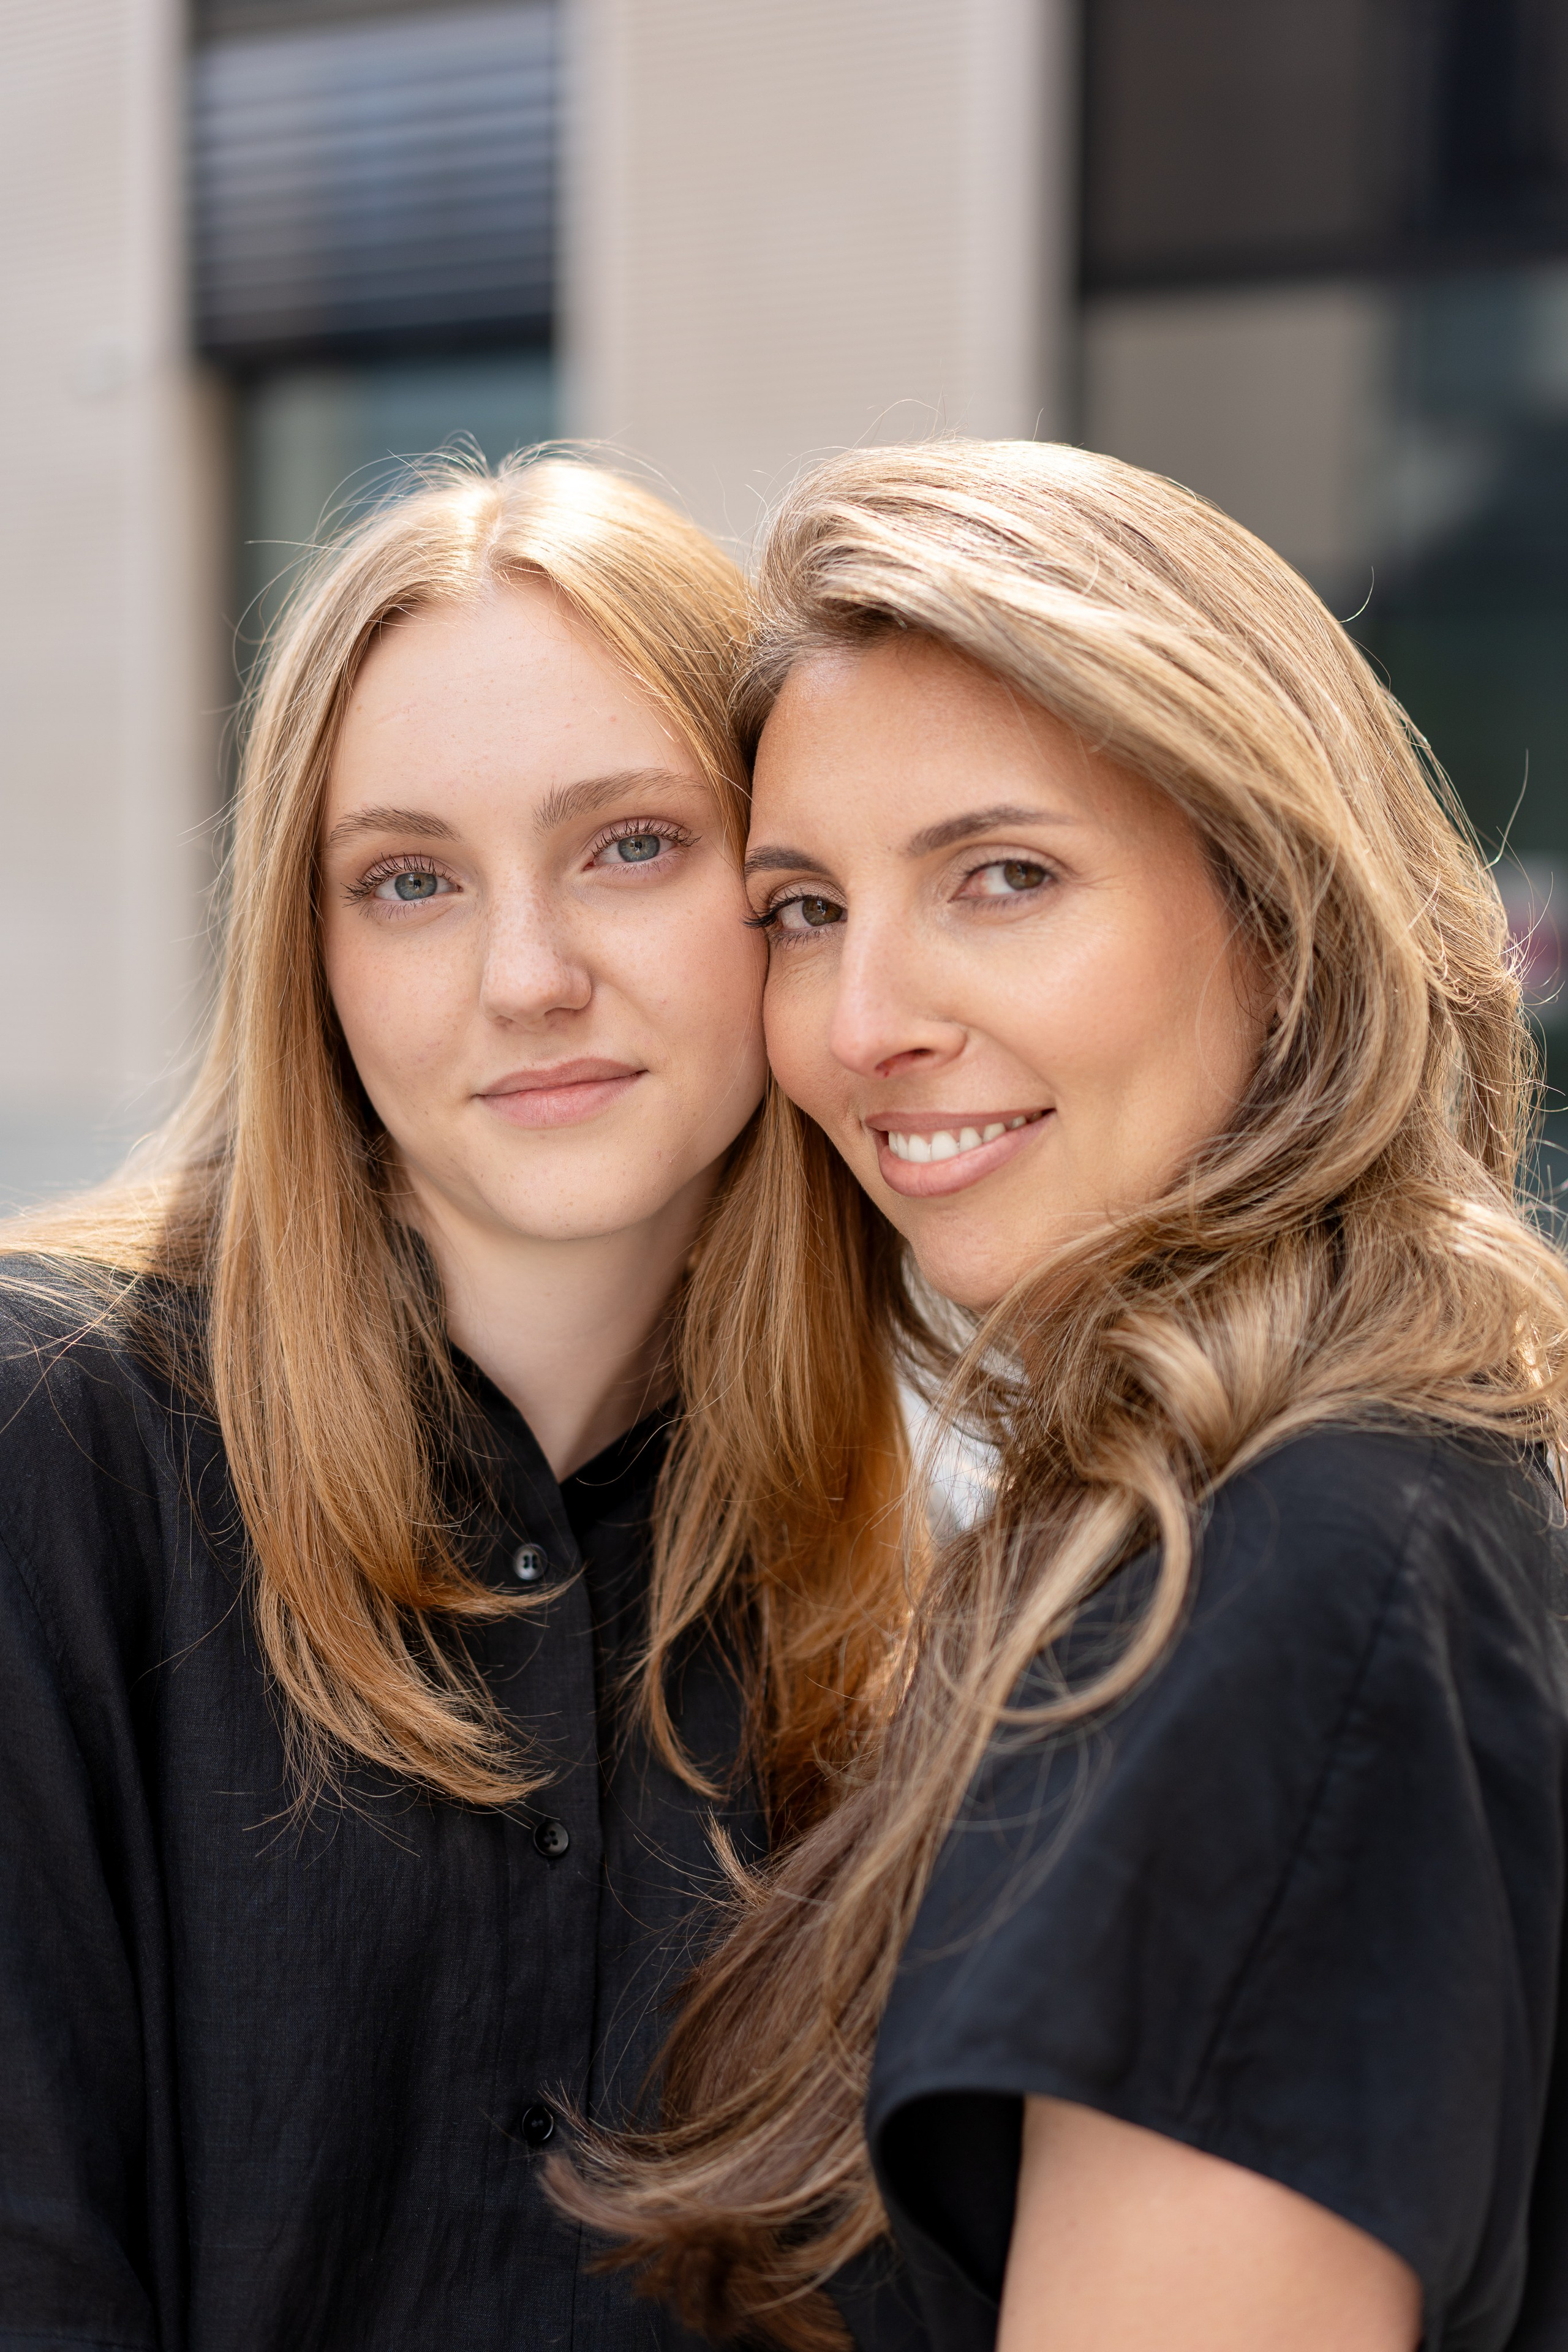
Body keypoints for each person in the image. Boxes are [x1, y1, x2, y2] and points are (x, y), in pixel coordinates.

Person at [555, 440, 1568, 2352]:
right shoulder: (1229, 1510)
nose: (866, 1024)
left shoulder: (1309, 1575)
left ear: (1280, 919)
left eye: (1003, 878)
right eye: (803, 910)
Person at [0, 455, 907, 2352]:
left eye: (628, 846)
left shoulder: (895, 1551)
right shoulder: (50, 1435)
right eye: (408, 882)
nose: (528, 977)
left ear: (786, 895)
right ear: (313, 957)